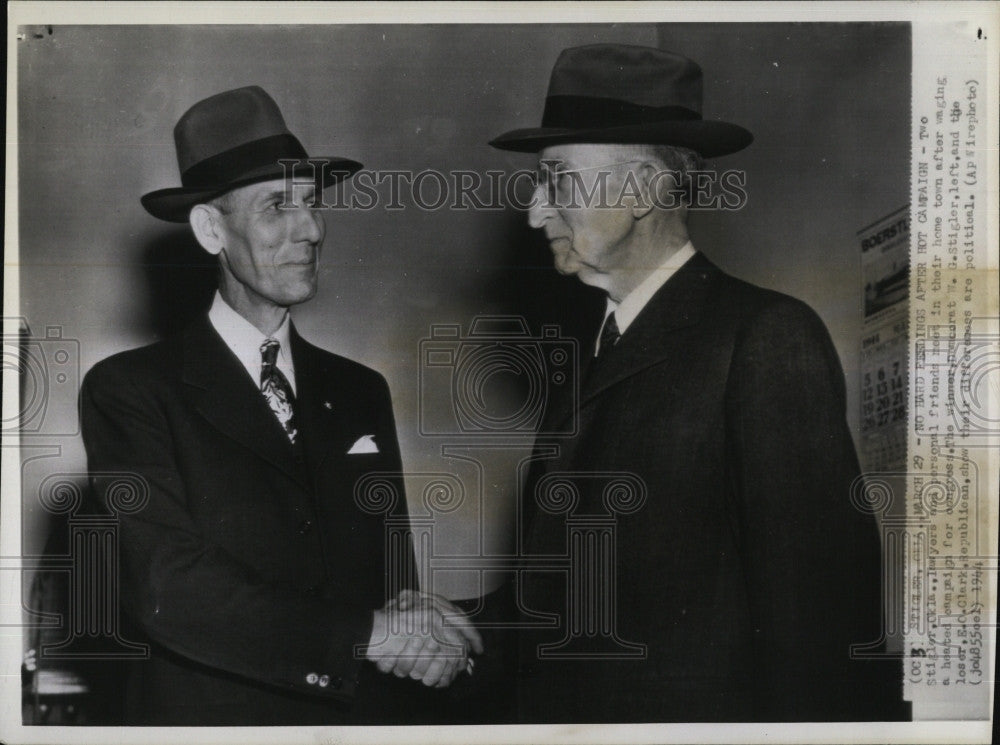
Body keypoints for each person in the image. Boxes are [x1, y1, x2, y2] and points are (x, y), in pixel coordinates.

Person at [490, 44, 906, 722]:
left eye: (558, 180)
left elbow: (820, 637)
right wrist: (435, 620)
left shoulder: (765, 336)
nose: (536, 212)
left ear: (649, 188)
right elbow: (555, 599)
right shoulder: (583, 364)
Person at [80, 86, 481, 725]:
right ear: (212, 230)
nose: (313, 229)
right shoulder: (130, 390)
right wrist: (374, 635)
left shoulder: (359, 391)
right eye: (278, 206)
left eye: (313, 204)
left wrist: (428, 632)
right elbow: (168, 588)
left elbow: (389, 581)